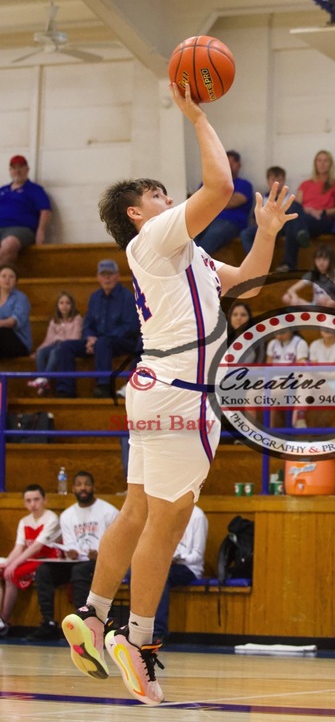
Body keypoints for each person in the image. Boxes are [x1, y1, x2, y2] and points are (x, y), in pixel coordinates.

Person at [61, 81, 297, 705]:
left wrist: (266, 229)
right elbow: (219, 187)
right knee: (168, 520)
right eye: (159, 196)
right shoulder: (152, 242)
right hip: (180, 389)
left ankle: (91, 612)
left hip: (155, 384)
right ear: (140, 215)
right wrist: (195, 114)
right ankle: (135, 638)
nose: (171, 199)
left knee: (138, 507)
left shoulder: (184, 254)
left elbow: (248, 282)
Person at [29, 471, 118, 641]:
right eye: (79, 484)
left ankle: (84, 625)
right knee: (44, 571)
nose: (83, 487)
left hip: (101, 562)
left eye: (87, 484)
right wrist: (70, 551)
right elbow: (70, 543)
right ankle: (48, 623)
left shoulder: (108, 511)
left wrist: (102, 553)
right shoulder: (67, 515)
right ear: (73, 488)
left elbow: (119, 541)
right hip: (77, 561)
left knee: (80, 571)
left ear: (94, 487)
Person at [53, 260, 139, 398]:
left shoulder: (127, 297)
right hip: (98, 342)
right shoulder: (95, 297)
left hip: (122, 342)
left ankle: (104, 386)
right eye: (103, 275)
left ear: (117, 276)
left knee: (103, 343)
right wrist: (90, 338)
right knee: (65, 346)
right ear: (98, 277)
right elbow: (88, 324)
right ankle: (66, 389)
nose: (107, 278)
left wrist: (99, 340)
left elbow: (130, 326)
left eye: (110, 274)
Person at [0, 484, 61, 638]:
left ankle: (4, 620)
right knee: (2, 570)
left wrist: (13, 565)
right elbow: (18, 547)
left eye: (36, 499)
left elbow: (36, 547)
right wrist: (7, 562)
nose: (32, 504)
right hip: (28, 558)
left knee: (12, 573)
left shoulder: (51, 518)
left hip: (46, 559)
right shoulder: (24, 521)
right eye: (28, 501)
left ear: (45, 500)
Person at [277, 150, 335, 272]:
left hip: (322, 219)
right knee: (293, 207)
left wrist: (321, 212)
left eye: (326, 160)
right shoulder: (305, 184)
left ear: (330, 164)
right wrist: (309, 210)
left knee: (291, 225)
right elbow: (296, 206)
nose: (322, 163)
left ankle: (288, 264)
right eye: (319, 160)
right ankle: (301, 233)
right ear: (315, 163)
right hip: (304, 218)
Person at [153, 504, 208, 642]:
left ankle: (159, 632)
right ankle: (136, 627)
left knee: (161, 577)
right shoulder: (165, 511)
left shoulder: (197, 515)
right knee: (135, 574)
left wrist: (178, 559)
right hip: (165, 563)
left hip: (189, 567)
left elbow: (198, 555)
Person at [195, 149, 254, 257]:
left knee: (211, 238)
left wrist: (211, 198)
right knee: (188, 236)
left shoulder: (244, 184)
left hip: (230, 222)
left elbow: (231, 202)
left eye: (233, 162)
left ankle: (193, 264)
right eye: (226, 162)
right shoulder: (208, 182)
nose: (229, 165)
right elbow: (198, 202)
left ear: (239, 165)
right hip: (207, 220)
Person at [28, 291, 83, 396]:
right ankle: (42, 379)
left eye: (68, 303)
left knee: (54, 352)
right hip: (55, 344)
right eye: (61, 303)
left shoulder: (77, 319)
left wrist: (62, 340)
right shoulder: (54, 320)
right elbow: (48, 340)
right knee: (41, 353)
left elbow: (76, 337)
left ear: (72, 305)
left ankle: (44, 380)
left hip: (67, 346)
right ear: (57, 306)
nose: (64, 306)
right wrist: (37, 350)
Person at [0, 155, 52, 263]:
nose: (17, 171)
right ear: (10, 171)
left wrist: (40, 232)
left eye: (21, 167)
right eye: (14, 168)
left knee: (9, 244)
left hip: (21, 229)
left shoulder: (35, 190)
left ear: (27, 169)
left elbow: (45, 211)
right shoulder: (3, 190)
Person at [267, 329, 309, 429]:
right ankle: (250, 434)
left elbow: (300, 368)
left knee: (270, 395)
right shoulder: (272, 344)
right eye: (276, 332)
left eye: (282, 332)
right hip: (272, 380)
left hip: (291, 382)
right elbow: (268, 367)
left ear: (291, 330)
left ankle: (269, 434)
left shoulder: (300, 343)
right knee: (251, 394)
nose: (279, 335)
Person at [282, 243, 335, 308]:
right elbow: (291, 289)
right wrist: (294, 296)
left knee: (322, 300)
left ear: (331, 260)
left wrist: (329, 302)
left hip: (331, 307)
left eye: (325, 259)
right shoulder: (312, 274)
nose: (321, 262)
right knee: (286, 297)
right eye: (318, 259)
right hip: (315, 307)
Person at [240, 165, 286, 254]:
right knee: (245, 234)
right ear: (268, 181)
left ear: (284, 181)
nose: (277, 183)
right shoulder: (263, 198)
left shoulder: (288, 198)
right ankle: (253, 259)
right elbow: (256, 216)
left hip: (280, 228)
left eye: (280, 180)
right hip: (263, 226)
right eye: (273, 180)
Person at [0, 263, 32, 358]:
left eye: (11, 277)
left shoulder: (21, 298)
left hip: (18, 341)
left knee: (3, 331)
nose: (7, 279)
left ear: (16, 281)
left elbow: (14, 321)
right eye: (3, 276)